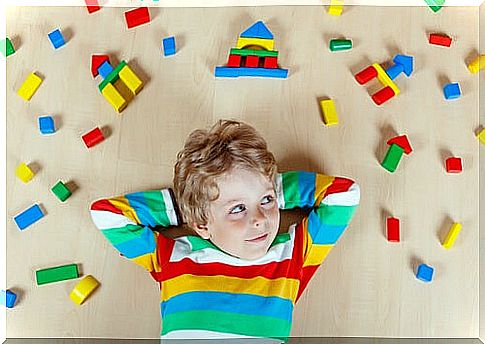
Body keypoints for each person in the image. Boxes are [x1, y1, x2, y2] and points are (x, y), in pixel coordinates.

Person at [90, 119, 360, 343]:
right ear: (203, 224)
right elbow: (107, 214)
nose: (259, 219)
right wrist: (194, 204)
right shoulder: (175, 258)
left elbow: (344, 195)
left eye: (266, 201)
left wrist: (262, 183)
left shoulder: (290, 259)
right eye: (237, 209)